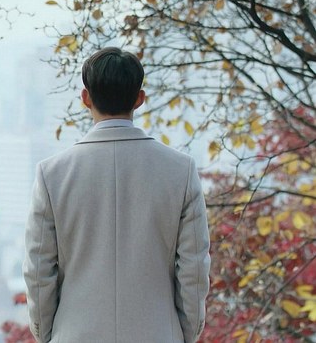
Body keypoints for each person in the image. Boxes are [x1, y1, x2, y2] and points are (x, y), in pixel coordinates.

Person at [23, 47, 211, 342]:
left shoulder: (52, 174)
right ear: (139, 98)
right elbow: (194, 270)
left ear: (86, 98)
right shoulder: (180, 171)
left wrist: (48, 334)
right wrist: (182, 333)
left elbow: (38, 272)